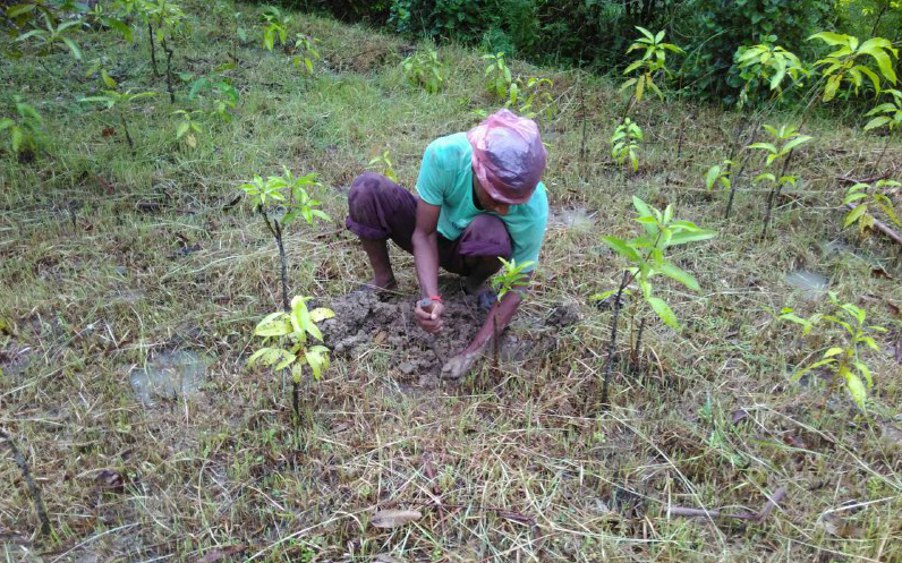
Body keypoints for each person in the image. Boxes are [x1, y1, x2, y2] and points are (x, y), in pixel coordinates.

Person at [345, 109, 548, 379]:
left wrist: (473, 352)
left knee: (493, 230)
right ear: (477, 170)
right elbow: (423, 233)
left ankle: (473, 285)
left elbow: (518, 285)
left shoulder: (534, 206)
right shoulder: (445, 155)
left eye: (511, 202)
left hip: (475, 251)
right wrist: (431, 298)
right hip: (433, 234)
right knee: (366, 189)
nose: (502, 208)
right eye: (495, 197)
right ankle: (384, 280)